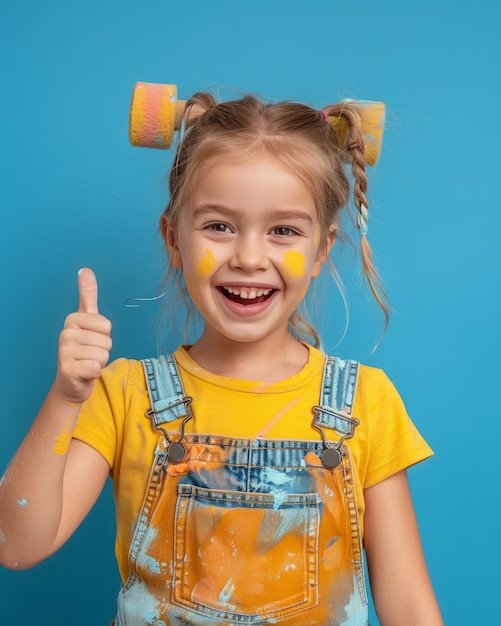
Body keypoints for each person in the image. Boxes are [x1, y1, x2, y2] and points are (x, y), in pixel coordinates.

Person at [0, 89, 443, 626]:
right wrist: (65, 398)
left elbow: (410, 607)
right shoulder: (123, 395)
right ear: (174, 239)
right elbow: (17, 545)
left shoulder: (366, 402)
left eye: (283, 230)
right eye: (219, 226)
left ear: (322, 250)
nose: (250, 257)